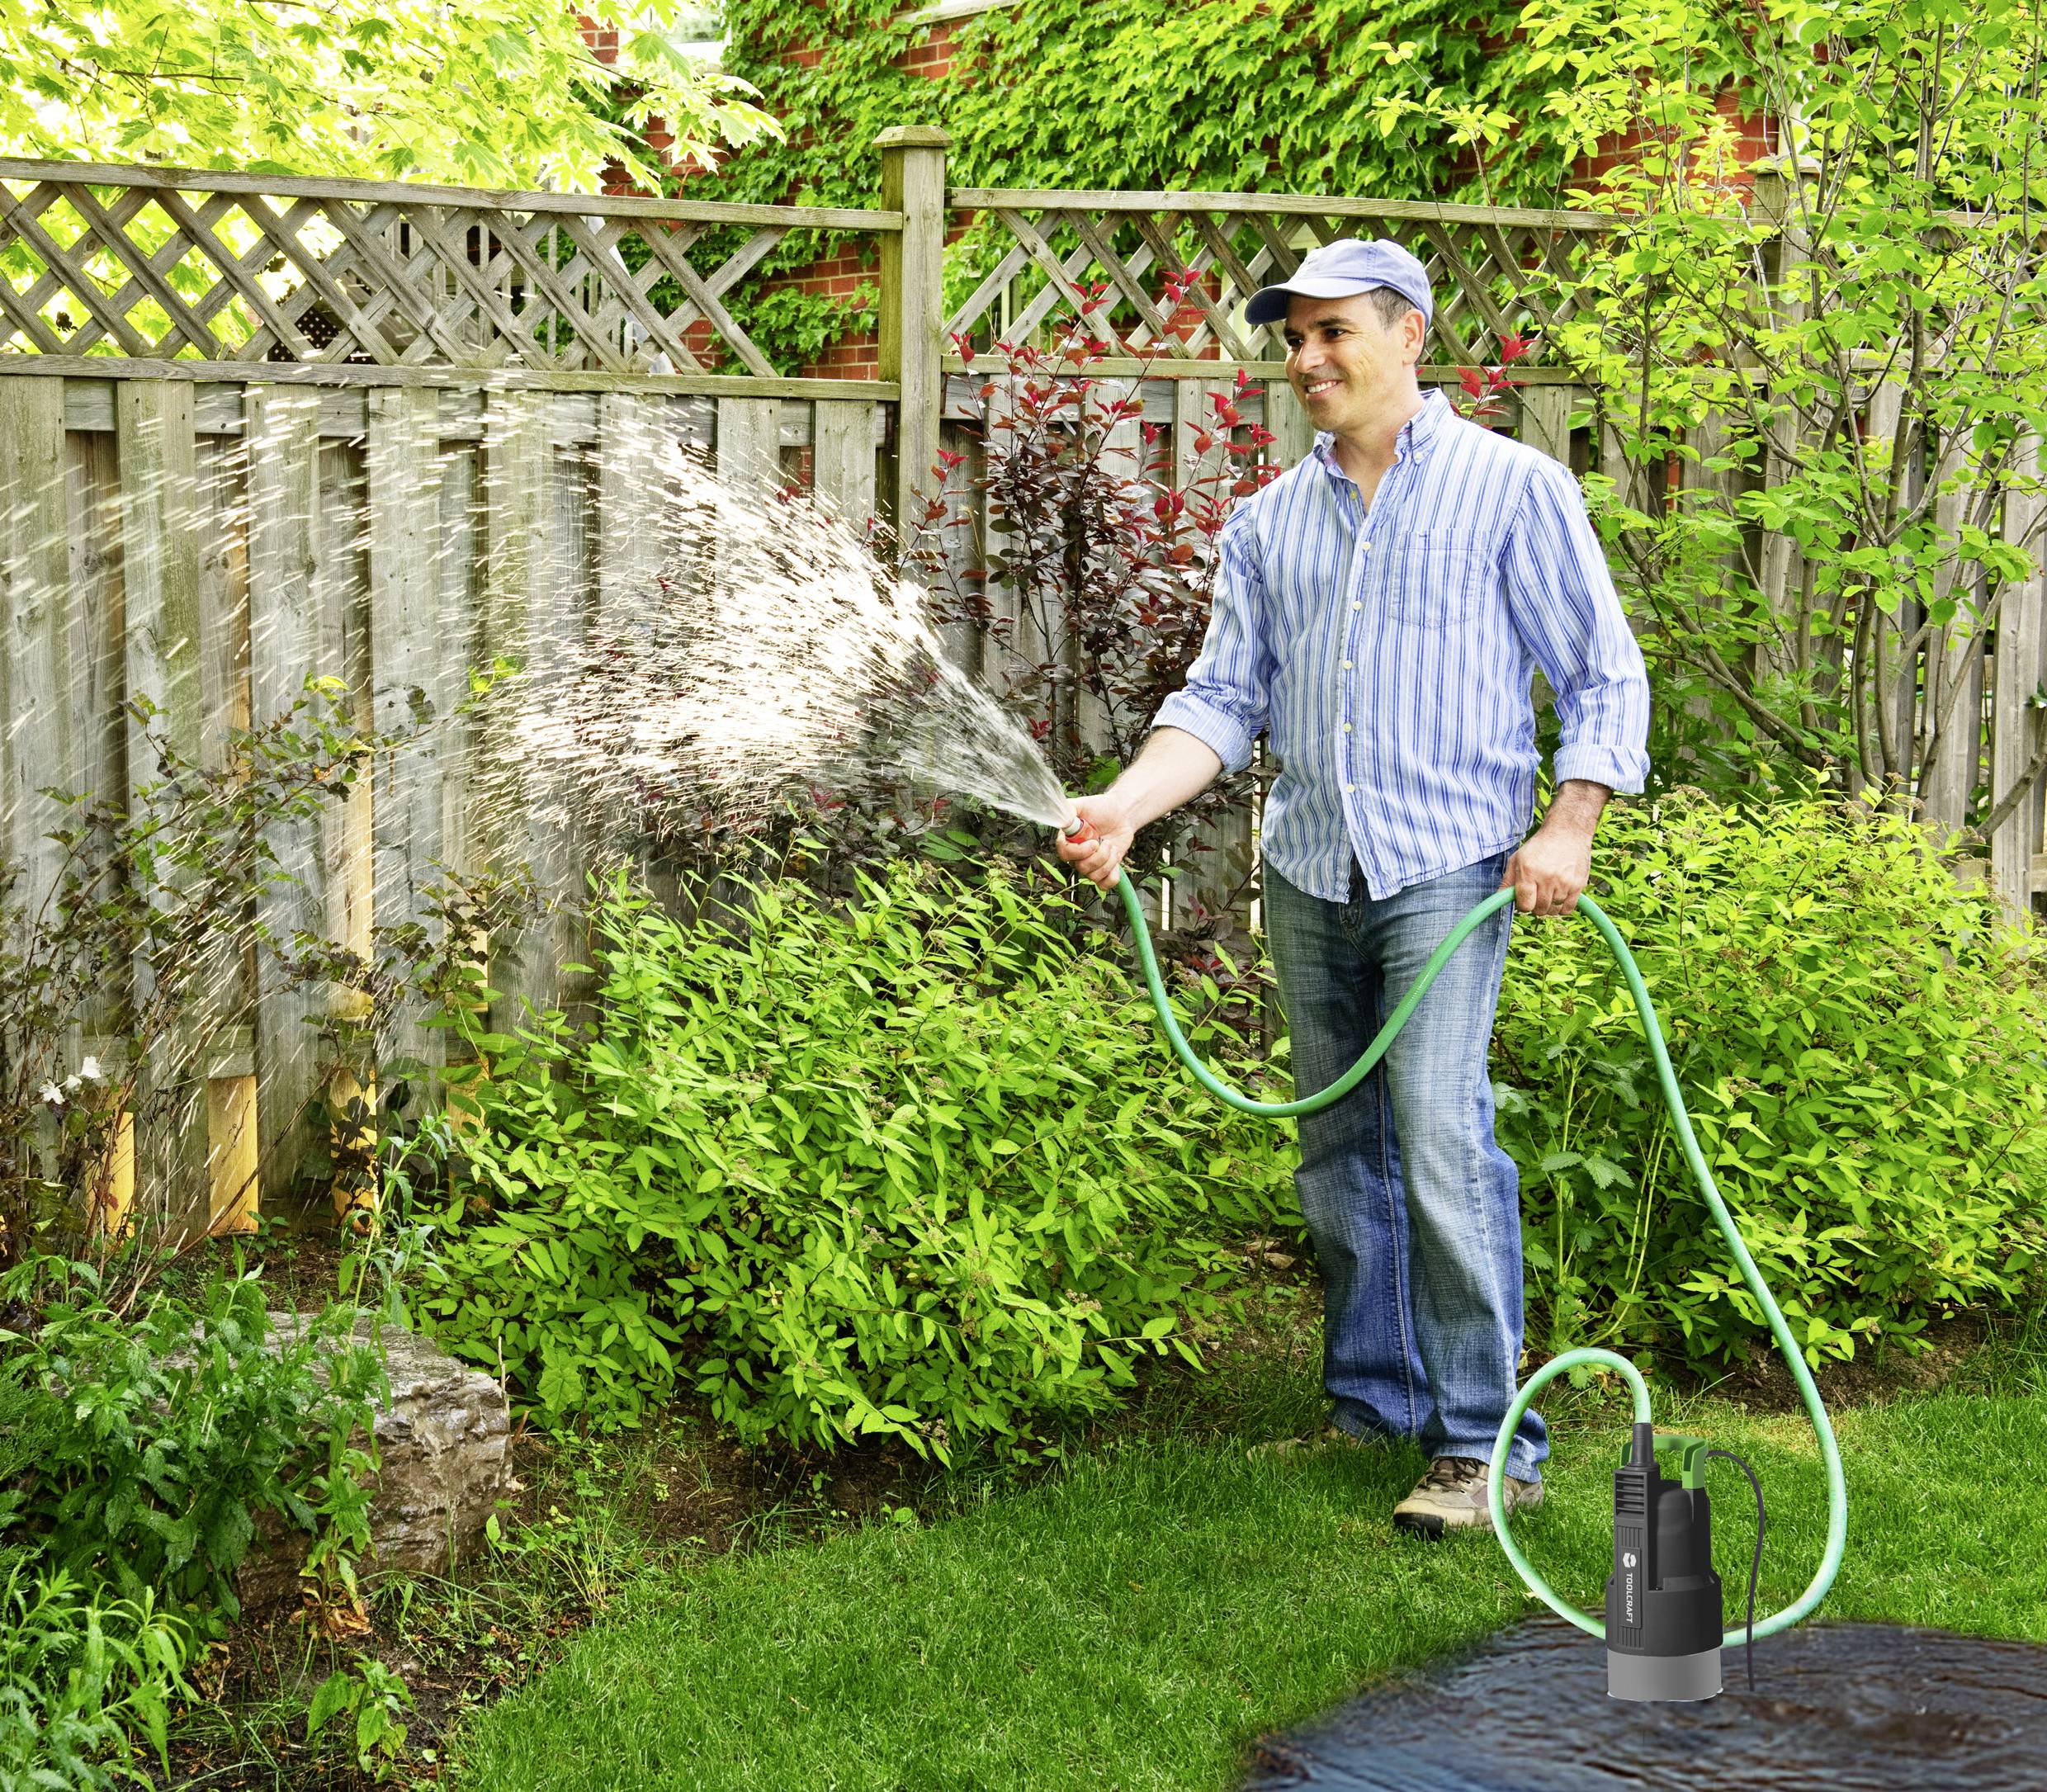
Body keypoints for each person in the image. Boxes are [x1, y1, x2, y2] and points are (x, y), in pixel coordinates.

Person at [1056, 239, 1650, 1536]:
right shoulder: (1270, 521)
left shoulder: (1511, 490)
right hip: (1313, 869)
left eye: (1333, 333)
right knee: (1339, 1152)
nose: (1308, 359)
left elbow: (1604, 676)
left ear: (1411, 335)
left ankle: (1488, 1443)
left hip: (1449, 869)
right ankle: (1374, 1405)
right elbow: (1219, 702)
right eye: (1295, 338)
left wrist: (1570, 826)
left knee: (1439, 1137)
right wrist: (1125, 807)